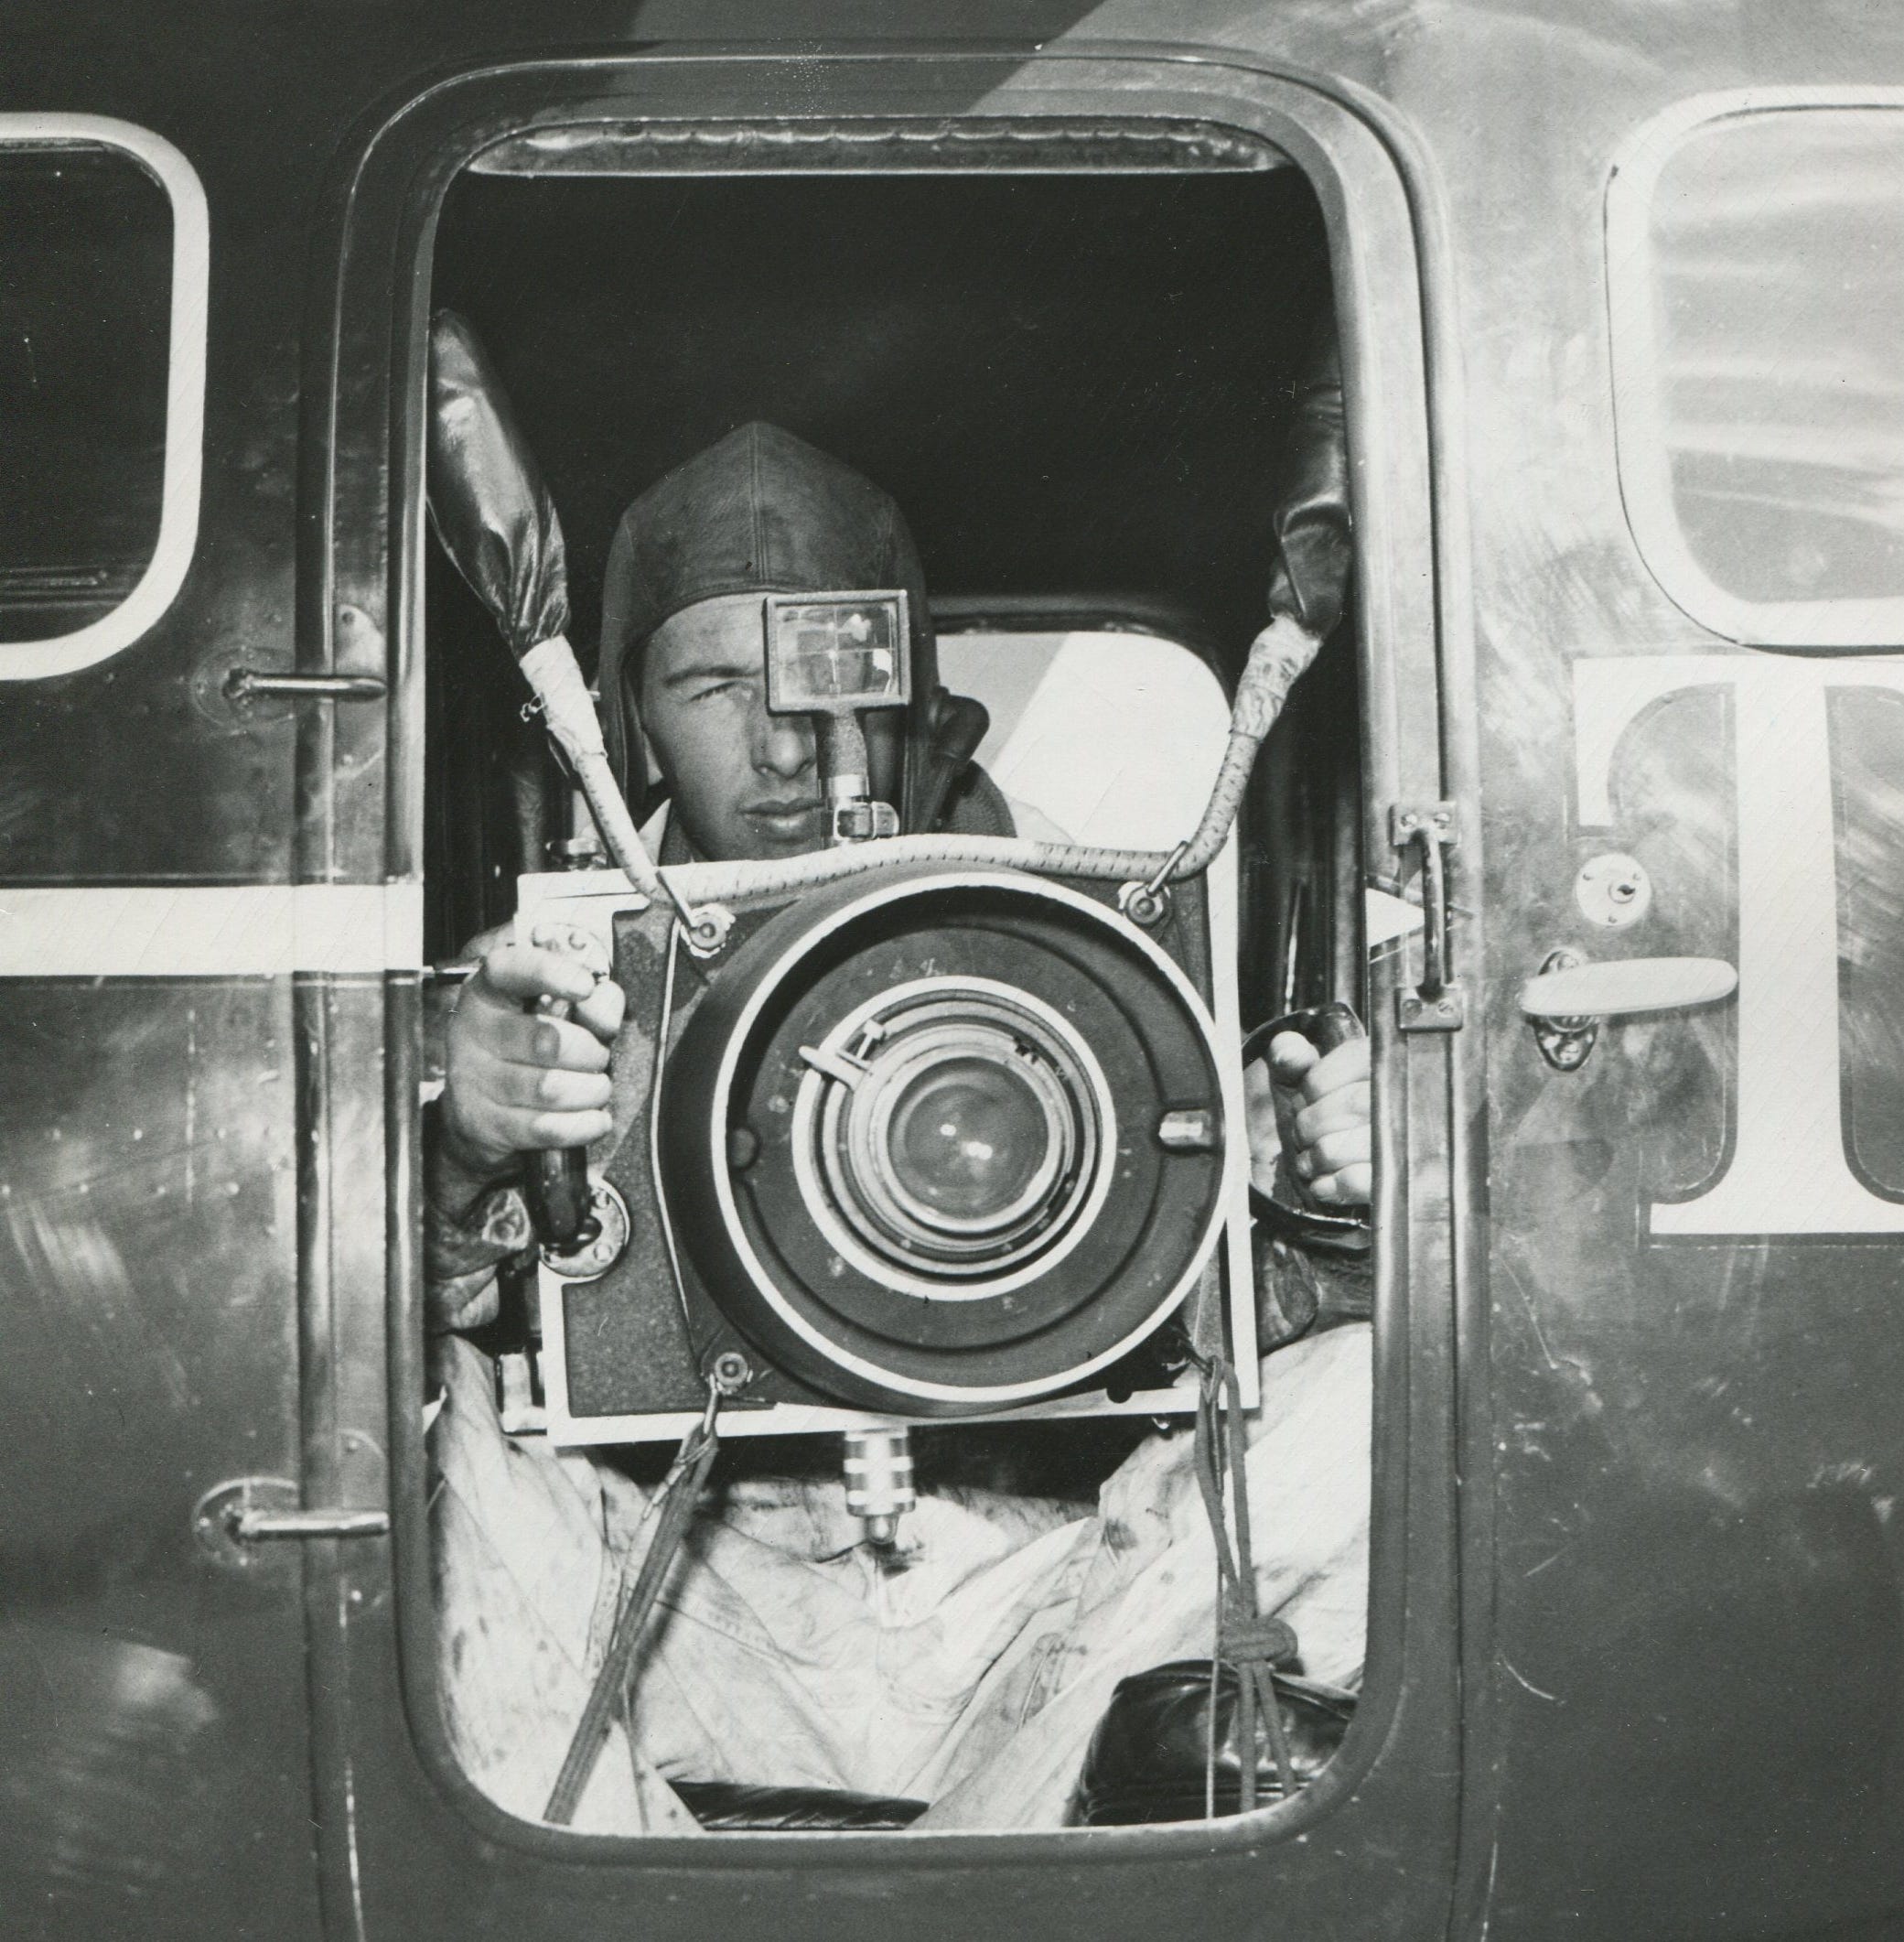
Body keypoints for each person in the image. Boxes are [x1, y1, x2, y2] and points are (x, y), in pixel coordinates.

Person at [424, 422, 1372, 1834]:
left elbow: (1211, 1333)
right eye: (710, 683)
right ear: (632, 721)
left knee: (1366, 1398)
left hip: (1049, 1594)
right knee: (438, 1420)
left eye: (824, 671)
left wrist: (1332, 1204)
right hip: (689, 1604)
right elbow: (402, 1337)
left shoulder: (1093, 926)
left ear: (903, 685)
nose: (779, 741)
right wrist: (463, 1148)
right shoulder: (543, 976)